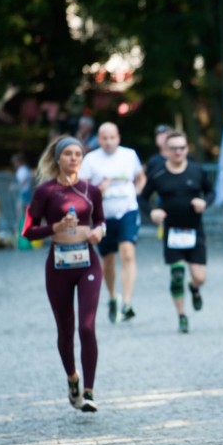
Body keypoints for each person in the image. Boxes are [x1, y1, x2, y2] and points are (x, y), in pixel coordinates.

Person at [21, 136, 106, 412]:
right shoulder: (45, 192)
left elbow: (101, 220)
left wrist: (98, 232)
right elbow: (28, 231)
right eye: (67, 154)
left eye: (77, 154)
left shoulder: (91, 190)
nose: (73, 158)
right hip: (58, 266)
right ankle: (72, 378)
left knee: (87, 326)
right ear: (57, 158)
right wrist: (54, 227)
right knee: (66, 330)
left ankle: (90, 392)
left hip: (87, 262)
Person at [140, 131, 214, 333]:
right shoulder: (158, 174)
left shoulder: (197, 170)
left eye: (182, 148)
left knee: (199, 277)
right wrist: (152, 211)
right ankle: (181, 315)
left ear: (187, 148)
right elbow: (142, 198)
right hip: (172, 231)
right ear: (167, 150)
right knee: (177, 275)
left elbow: (211, 191)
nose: (178, 152)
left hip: (195, 230)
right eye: (174, 148)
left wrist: (204, 202)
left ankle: (195, 288)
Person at [78, 122, 145, 323]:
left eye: (112, 138)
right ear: (99, 139)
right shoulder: (90, 159)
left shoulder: (129, 155)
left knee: (128, 253)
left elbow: (141, 177)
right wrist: (98, 189)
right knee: (108, 261)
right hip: (103, 215)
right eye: (104, 138)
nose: (108, 142)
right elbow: (82, 188)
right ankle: (112, 296)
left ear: (119, 137)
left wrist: (137, 193)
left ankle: (127, 302)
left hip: (127, 210)